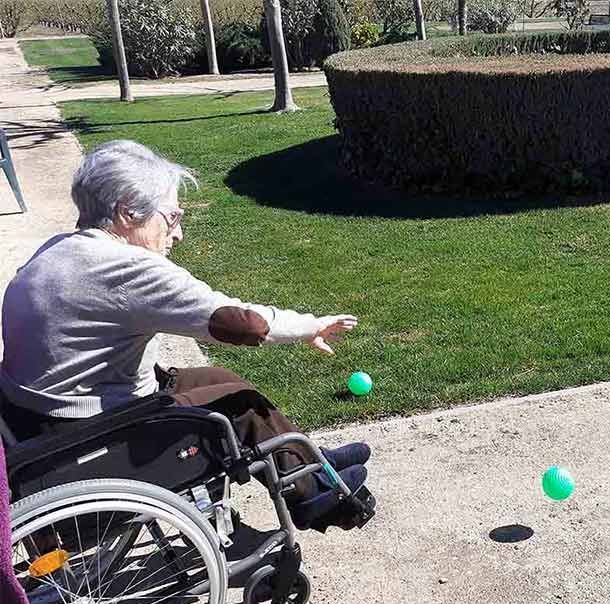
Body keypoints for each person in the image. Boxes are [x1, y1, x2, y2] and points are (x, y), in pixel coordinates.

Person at [0, 140, 371, 533]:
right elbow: (240, 323)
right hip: (83, 432)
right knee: (240, 406)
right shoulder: (126, 269)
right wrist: (311, 325)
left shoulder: (57, 250)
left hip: (34, 418)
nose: (177, 234)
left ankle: (305, 457)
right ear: (128, 211)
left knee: (218, 379)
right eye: (172, 217)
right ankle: (318, 498)